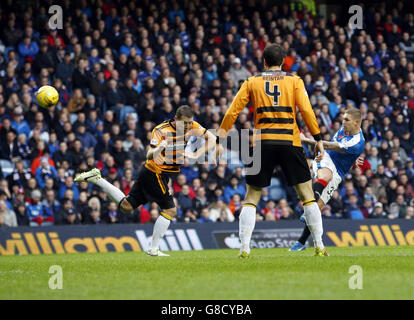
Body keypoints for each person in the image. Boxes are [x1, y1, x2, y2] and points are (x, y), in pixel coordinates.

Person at [215, 43, 327, 258]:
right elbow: (306, 110)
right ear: (283, 61)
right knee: (307, 195)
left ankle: (244, 248)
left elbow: (233, 111)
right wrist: (318, 137)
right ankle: (319, 246)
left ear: (264, 61)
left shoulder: (252, 82)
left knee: (251, 197)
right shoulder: (294, 81)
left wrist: (220, 137)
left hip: (262, 143)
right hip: (289, 141)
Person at [74, 105, 217, 256]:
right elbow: (149, 155)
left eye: (190, 123)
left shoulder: (192, 126)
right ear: (176, 119)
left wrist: (197, 154)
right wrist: (159, 149)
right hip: (154, 172)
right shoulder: (161, 130)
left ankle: (97, 179)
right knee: (170, 210)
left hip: (157, 173)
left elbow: (212, 139)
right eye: (185, 123)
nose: (188, 127)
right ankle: (153, 249)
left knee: (126, 206)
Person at [290, 108, 365, 251]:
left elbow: (332, 145)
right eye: (343, 118)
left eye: (346, 120)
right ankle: (306, 209)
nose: (343, 122)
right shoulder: (346, 130)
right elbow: (330, 147)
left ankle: (301, 243)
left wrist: (305, 139)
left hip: (339, 172)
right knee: (326, 176)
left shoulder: (357, 142)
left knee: (317, 208)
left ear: (356, 123)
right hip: (326, 157)